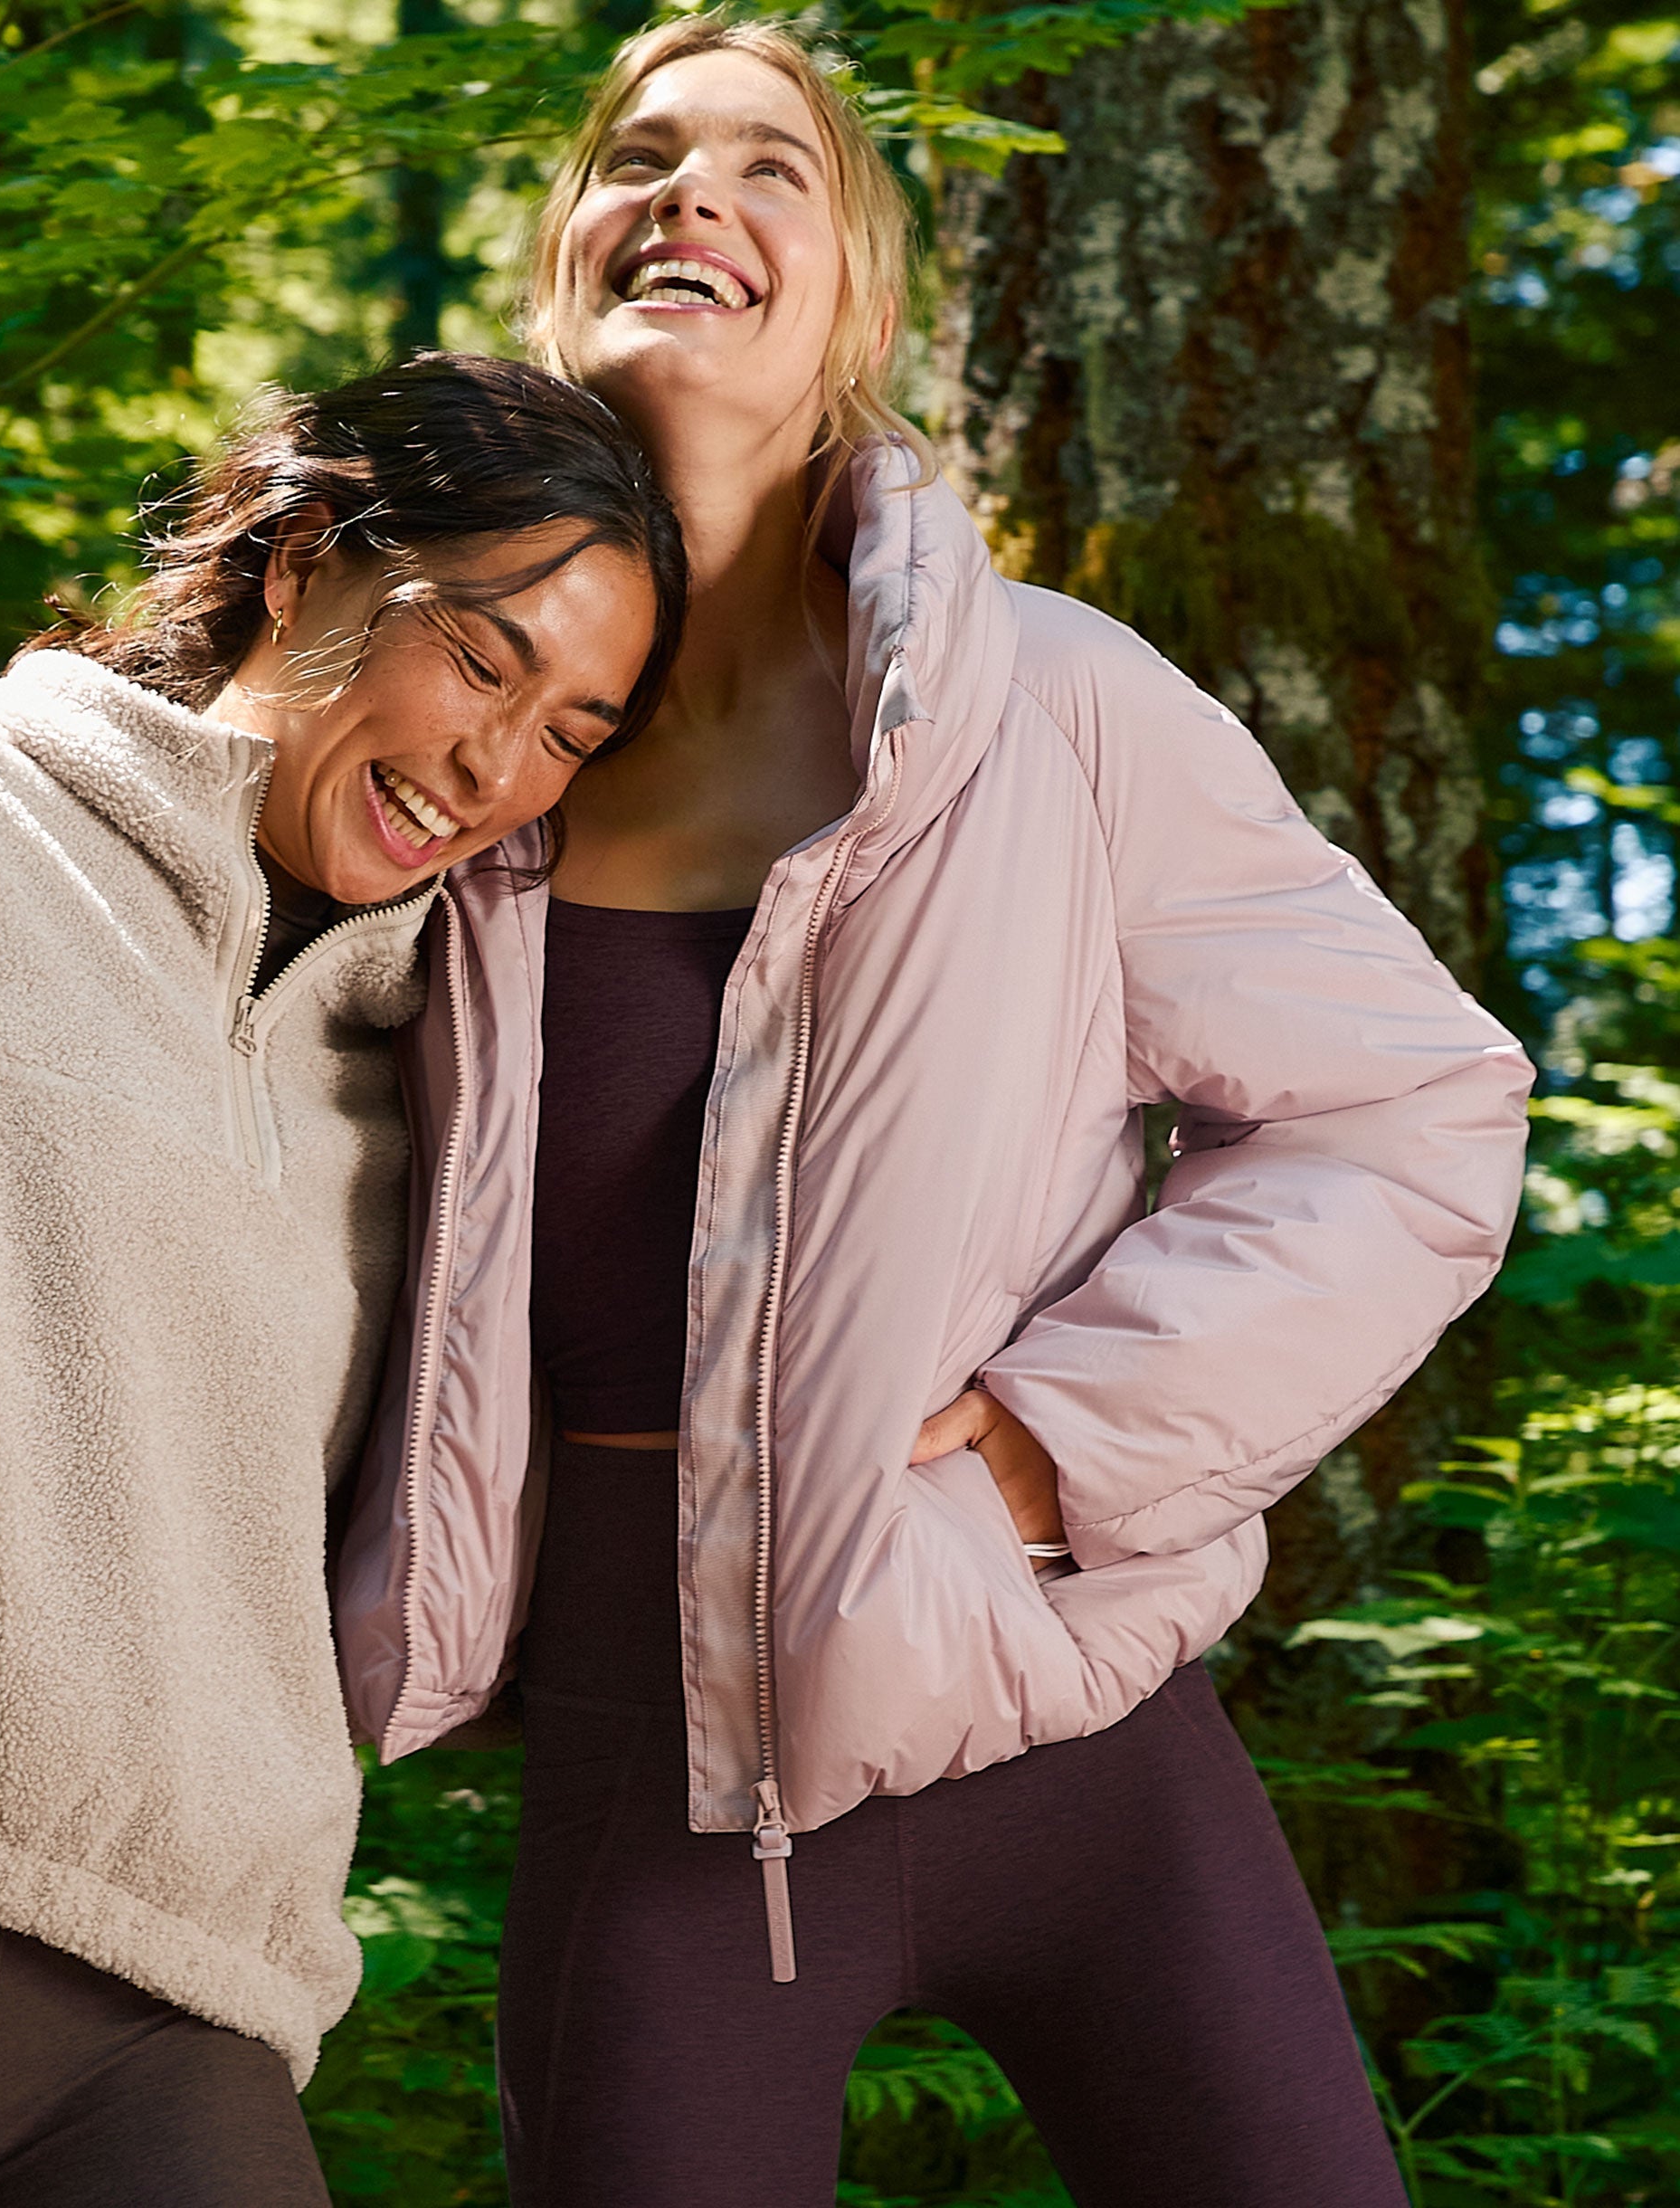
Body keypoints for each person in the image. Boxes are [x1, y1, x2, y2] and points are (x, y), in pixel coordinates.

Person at [333, 23, 1533, 2205]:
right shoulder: (459, 759)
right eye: (639, 156)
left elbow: (1421, 1105)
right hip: (654, 1778)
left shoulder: (1052, 710)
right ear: (565, 259)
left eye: (768, 166)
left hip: (1073, 1726)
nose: (693, 194)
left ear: (861, 298)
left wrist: (1061, 1435)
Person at [0, 351, 685, 2208]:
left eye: (571, 732)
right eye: (480, 658)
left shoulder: (433, 1072)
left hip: (188, 1995)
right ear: (301, 559)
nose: (496, 765)